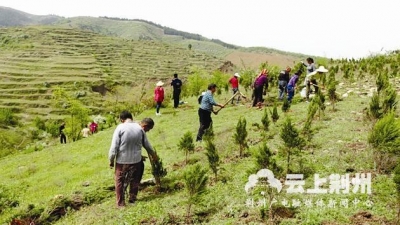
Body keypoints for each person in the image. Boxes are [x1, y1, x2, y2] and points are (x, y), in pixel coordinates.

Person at [108, 111, 158, 207]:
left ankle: (121, 203)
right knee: (135, 179)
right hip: (136, 161)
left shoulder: (120, 128)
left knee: (119, 181)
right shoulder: (139, 129)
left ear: (122, 119)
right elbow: (147, 145)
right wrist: (154, 156)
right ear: (131, 117)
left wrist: (111, 160)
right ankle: (132, 198)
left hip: (121, 161)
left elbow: (114, 147)